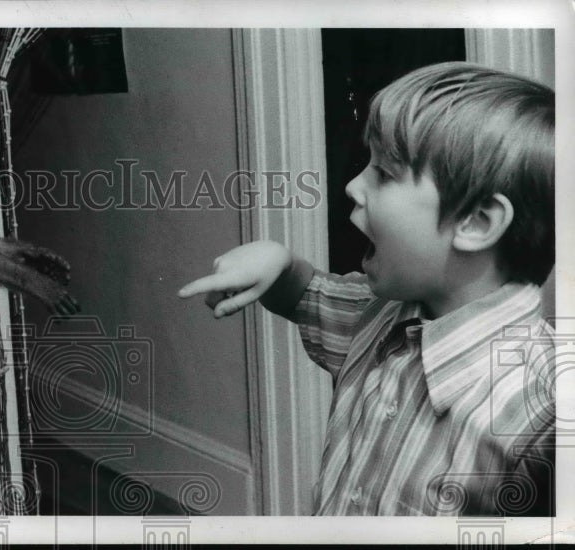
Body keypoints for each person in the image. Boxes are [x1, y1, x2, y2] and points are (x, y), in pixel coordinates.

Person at [179, 62, 555, 516]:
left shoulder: (543, 414)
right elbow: (304, 293)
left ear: (476, 222)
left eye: (385, 173)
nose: (354, 186)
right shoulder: (374, 312)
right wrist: (276, 263)